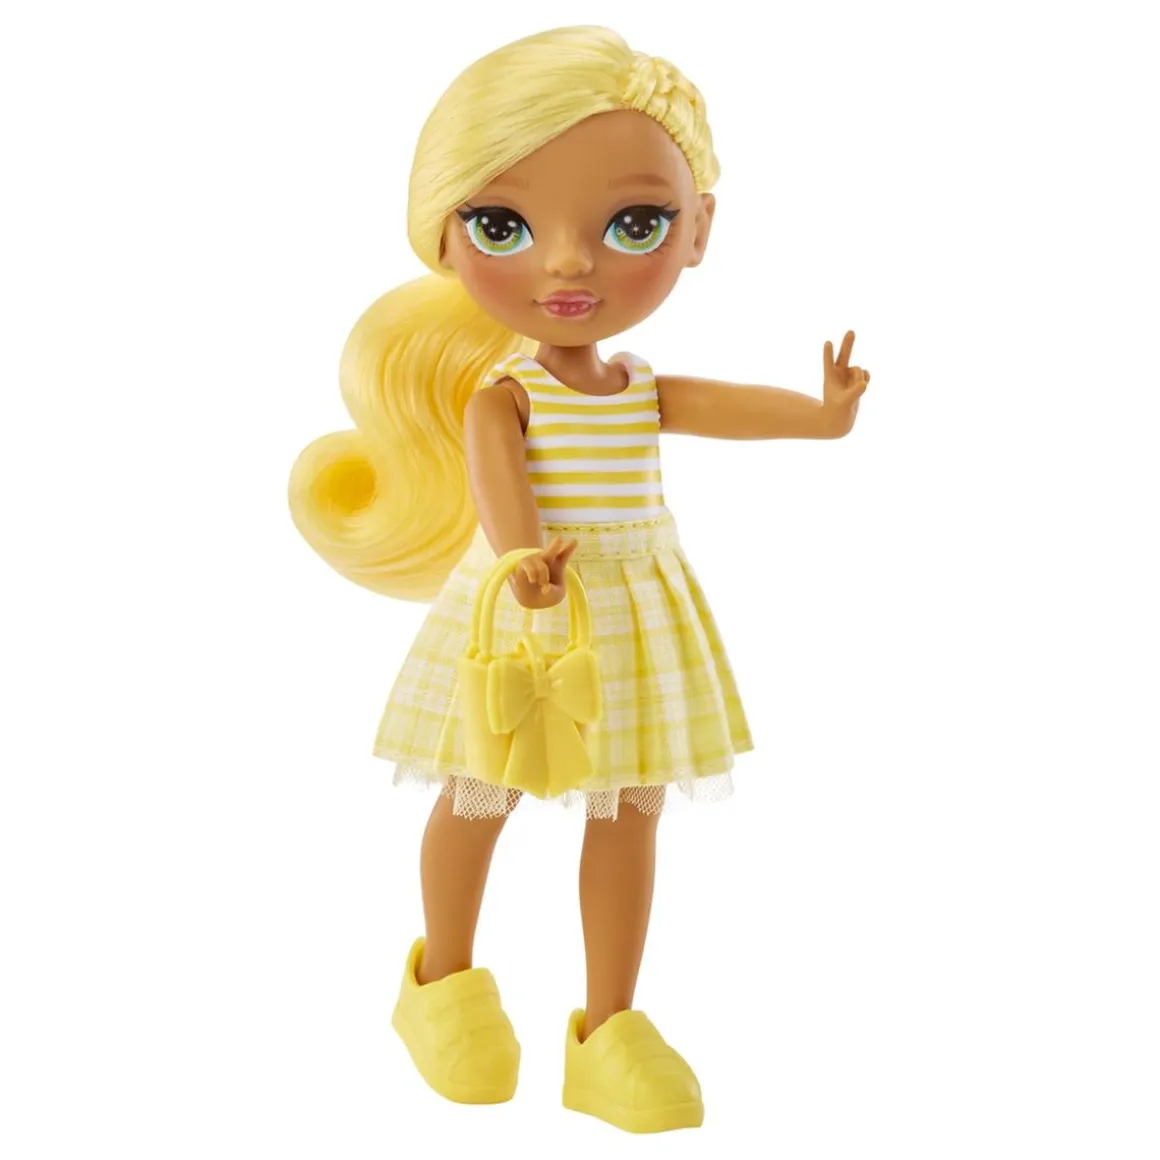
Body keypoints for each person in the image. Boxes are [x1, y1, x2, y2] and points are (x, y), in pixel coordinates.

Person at [289, 25, 869, 1134]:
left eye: (630, 224)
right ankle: (441, 983)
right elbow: (501, 488)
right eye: (503, 225)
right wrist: (524, 569)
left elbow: (719, 408)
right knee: (482, 789)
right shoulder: (503, 396)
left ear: (697, 230)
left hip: (633, 614)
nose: (566, 264)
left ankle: (609, 1028)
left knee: (629, 811)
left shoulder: (636, 384)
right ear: (446, 238)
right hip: (522, 615)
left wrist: (821, 416)